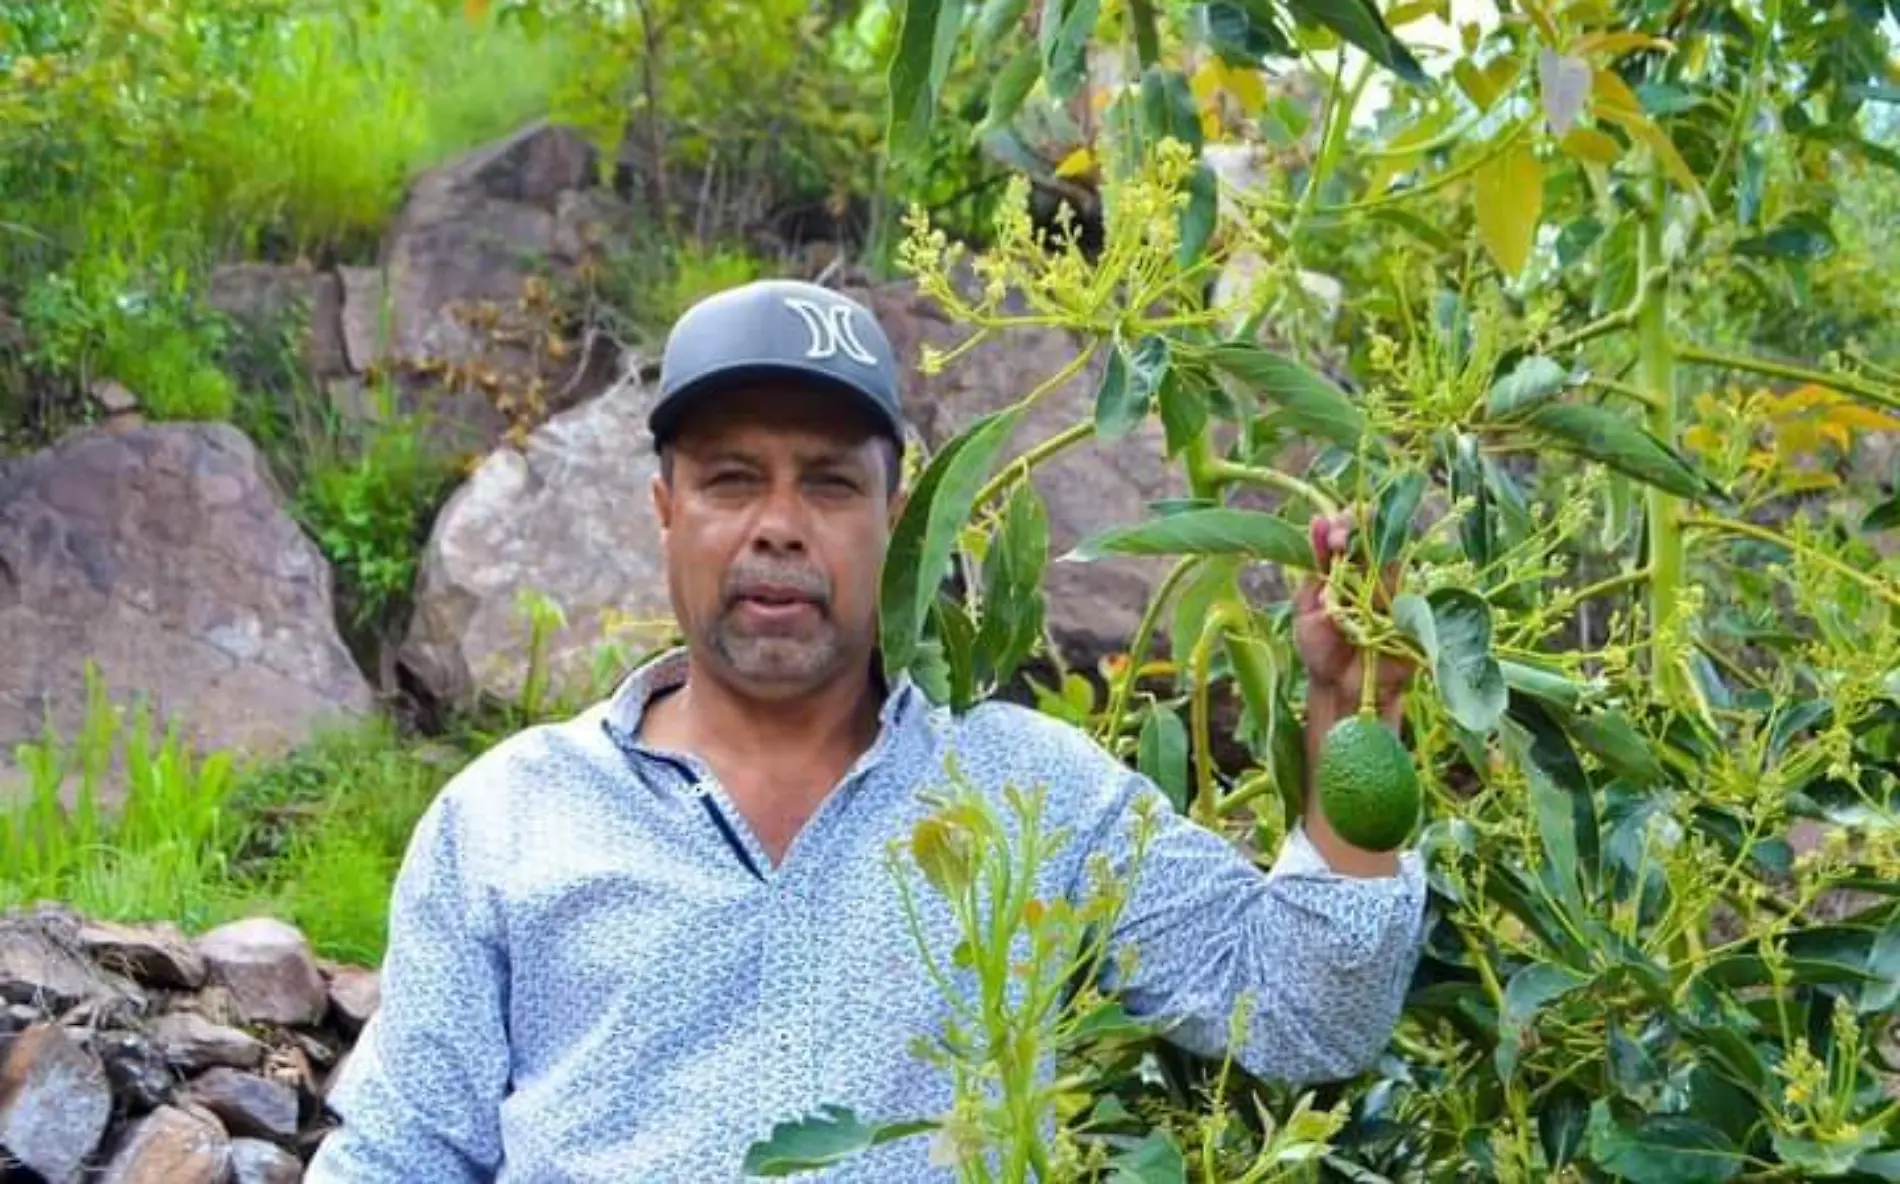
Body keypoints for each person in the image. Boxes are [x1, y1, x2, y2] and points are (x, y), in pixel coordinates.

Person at [305, 279, 1429, 1182]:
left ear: (895, 520)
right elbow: (400, 1152)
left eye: (831, 484)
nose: (780, 526)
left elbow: (1299, 1011)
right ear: (664, 511)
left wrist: (1352, 713)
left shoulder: (1025, 793)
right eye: (731, 479)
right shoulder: (509, 818)